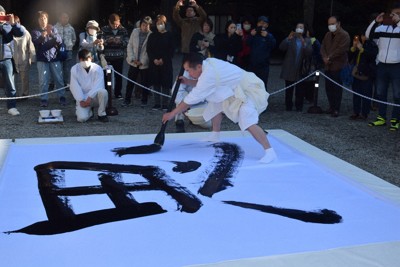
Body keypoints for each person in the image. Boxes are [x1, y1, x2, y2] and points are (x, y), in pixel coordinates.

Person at [162, 52, 277, 164]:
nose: (188, 73)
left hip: (249, 90)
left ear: (198, 66)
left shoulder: (208, 74)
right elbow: (204, 82)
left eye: (188, 70)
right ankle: (215, 134)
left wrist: (172, 114)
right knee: (215, 102)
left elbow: (189, 100)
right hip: (232, 89)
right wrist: (188, 81)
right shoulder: (208, 63)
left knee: (247, 119)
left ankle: (269, 151)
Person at [366, 5, 400, 131]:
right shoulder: (382, 28)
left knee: (397, 94)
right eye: (393, 14)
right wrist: (375, 21)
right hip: (382, 65)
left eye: (398, 14)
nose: (395, 16)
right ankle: (381, 117)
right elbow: (368, 35)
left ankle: (395, 120)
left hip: (397, 65)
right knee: (381, 92)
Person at [31, 11, 67, 108]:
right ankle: (44, 99)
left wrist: (51, 34)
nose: (43, 20)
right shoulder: (35, 32)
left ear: (47, 19)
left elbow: (59, 40)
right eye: (41, 19)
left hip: (54, 58)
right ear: (38, 20)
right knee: (43, 81)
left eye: (45, 18)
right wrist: (42, 37)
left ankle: (62, 97)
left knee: (59, 79)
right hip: (42, 59)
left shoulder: (53, 29)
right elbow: (36, 44)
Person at [320, 15, 350, 117]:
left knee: (337, 88)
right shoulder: (328, 34)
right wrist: (324, 57)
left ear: (338, 23)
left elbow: (341, 50)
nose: (331, 26)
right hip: (328, 66)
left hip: (338, 66)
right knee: (328, 88)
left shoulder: (344, 35)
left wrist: (329, 58)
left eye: (333, 24)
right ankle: (331, 106)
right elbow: (322, 46)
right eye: (329, 24)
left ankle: (336, 108)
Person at [279, 22, 312, 111]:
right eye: (298, 27)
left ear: (304, 29)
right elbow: (281, 48)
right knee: (289, 88)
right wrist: (287, 39)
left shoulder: (307, 40)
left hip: (300, 68)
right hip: (289, 67)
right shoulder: (291, 38)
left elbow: (309, 53)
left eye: (301, 27)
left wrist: (304, 43)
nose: (299, 29)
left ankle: (299, 106)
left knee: (300, 89)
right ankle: (288, 106)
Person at [69, 49, 109, 123]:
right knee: (81, 119)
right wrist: (80, 99)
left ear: (91, 58)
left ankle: (101, 113)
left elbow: (99, 85)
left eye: (86, 59)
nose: (85, 61)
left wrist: (90, 97)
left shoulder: (97, 68)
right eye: (82, 59)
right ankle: (90, 112)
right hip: (83, 98)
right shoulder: (74, 69)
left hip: (95, 97)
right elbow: (74, 86)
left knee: (103, 92)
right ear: (79, 59)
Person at [123, 16, 152, 107]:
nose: (145, 27)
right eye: (144, 25)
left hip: (144, 63)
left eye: (147, 25)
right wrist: (132, 58)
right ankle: (127, 100)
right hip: (133, 61)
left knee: (144, 82)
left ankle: (144, 100)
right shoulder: (135, 32)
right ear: (140, 25)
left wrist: (142, 61)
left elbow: (150, 50)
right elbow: (130, 45)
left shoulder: (151, 35)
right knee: (130, 81)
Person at [147, 15, 174, 110]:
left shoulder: (169, 35)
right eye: (158, 24)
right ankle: (157, 103)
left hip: (166, 63)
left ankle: (166, 103)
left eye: (161, 23)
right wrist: (154, 59)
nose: (159, 25)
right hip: (154, 62)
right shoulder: (152, 35)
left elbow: (171, 50)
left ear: (165, 24)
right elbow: (149, 49)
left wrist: (163, 59)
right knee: (156, 82)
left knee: (165, 83)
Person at [0, 6, 24, 116]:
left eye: (1, 14)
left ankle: (12, 106)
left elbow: (20, 33)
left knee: (10, 84)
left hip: (6, 58)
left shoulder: (8, 25)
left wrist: (13, 23)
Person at [348, 34, 378, 120]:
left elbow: (372, 56)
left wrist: (362, 50)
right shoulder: (358, 44)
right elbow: (350, 58)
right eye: (361, 35)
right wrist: (353, 48)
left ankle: (364, 113)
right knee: (356, 93)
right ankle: (356, 111)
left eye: (364, 35)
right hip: (357, 72)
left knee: (366, 94)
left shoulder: (372, 44)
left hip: (367, 72)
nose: (362, 37)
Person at [102, 13, 129, 99]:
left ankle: (118, 93)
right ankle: (107, 92)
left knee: (119, 76)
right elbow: (100, 40)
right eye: (113, 24)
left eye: (117, 24)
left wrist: (120, 42)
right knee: (106, 76)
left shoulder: (123, 30)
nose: (115, 26)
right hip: (107, 57)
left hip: (119, 56)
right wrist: (107, 41)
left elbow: (127, 41)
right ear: (109, 22)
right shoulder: (104, 29)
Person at [246, 16, 276, 91]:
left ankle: (263, 101)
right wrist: (251, 35)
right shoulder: (253, 33)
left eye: (264, 23)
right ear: (257, 24)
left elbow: (273, 45)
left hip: (263, 65)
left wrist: (267, 36)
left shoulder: (269, 35)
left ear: (267, 25)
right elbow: (247, 43)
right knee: (251, 85)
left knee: (262, 85)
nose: (262, 25)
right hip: (252, 64)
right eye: (260, 23)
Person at [12, 15, 35, 99]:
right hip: (12, 59)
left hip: (24, 58)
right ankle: (14, 95)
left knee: (24, 79)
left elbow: (31, 46)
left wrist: (32, 57)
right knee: (13, 79)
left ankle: (25, 94)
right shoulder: (9, 32)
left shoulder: (25, 32)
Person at [54, 12, 76, 85]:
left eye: (66, 17)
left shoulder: (71, 28)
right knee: (58, 68)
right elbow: (52, 38)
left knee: (67, 68)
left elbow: (74, 39)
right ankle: (59, 83)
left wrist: (71, 45)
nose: (65, 19)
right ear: (60, 18)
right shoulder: (55, 27)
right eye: (63, 17)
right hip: (57, 51)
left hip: (68, 50)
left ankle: (67, 83)